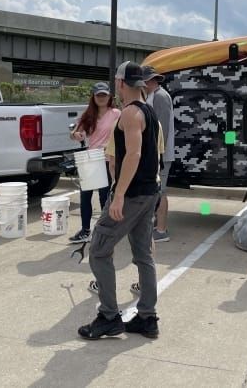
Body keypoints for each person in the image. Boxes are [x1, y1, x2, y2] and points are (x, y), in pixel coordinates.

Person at [78, 61, 160, 340]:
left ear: (121, 83)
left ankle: (109, 316)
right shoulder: (148, 110)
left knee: (99, 249)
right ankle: (147, 318)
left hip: (134, 194)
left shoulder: (129, 114)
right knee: (143, 255)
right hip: (149, 192)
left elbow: (134, 155)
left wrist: (120, 194)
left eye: (116, 81)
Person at [69, 82, 120, 243]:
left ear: (109, 96)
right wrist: (76, 135)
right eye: (98, 95)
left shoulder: (116, 113)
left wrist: (111, 147)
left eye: (104, 95)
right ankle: (85, 230)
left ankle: (106, 230)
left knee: (105, 196)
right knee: (85, 196)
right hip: (90, 159)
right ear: (94, 97)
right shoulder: (88, 114)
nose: (101, 98)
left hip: (107, 159)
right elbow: (75, 132)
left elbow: (122, 135)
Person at [142, 65, 174, 243]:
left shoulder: (160, 97)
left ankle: (161, 230)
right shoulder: (154, 95)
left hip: (160, 153)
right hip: (158, 152)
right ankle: (158, 227)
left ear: (148, 81)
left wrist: (156, 154)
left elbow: (162, 128)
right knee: (157, 191)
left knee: (161, 191)